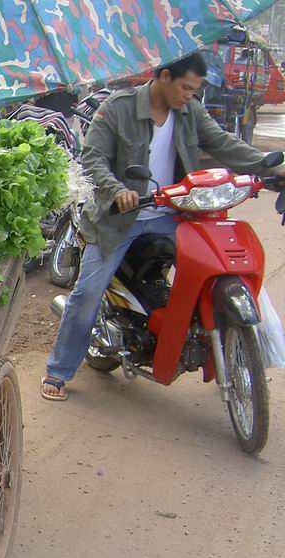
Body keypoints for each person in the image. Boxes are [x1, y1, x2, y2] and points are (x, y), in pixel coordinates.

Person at [41, 52, 285, 401]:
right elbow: (93, 157)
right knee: (87, 293)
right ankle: (59, 371)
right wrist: (117, 191)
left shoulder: (191, 111)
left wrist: (269, 167)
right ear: (164, 76)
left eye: (195, 89)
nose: (189, 94)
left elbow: (222, 143)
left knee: (216, 266)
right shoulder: (118, 108)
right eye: (185, 87)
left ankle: (222, 354)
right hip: (119, 220)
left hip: (171, 215)